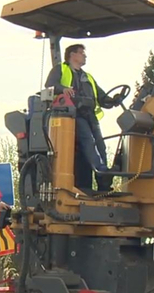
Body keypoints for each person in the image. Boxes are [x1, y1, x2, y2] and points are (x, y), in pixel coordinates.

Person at [45, 43, 121, 192]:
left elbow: (101, 97)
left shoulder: (88, 77)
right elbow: (50, 85)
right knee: (89, 141)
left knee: (101, 146)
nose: (85, 56)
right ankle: (101, 170)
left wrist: (113, 100)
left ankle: (104, 184)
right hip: (73, 115)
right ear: (72, 55)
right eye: (82, 53)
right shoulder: (61, 69)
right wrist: (63, 89)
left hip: (90, 116)